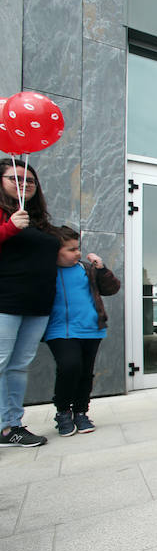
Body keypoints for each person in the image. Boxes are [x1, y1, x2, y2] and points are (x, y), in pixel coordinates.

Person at [0, 159, 58, 448]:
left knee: (18, 365)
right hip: (5, 300)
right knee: (0, 363)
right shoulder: (7, 217)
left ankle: (12, 425)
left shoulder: (36, 219)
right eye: (15, 178)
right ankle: (3, 425)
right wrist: (9, 227)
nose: (24, 184)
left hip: (36, 304)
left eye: (30, 181)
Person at [45, 226, 120, 436]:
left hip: (91, 329)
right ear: (55, 251)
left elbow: (111, 288)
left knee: (85, 372)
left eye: (77, 248)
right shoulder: (47, 271)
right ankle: (62, 411)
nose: (77, 253)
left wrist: (102, 269)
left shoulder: (87, 269)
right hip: (60, 330)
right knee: (69, 366)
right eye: (70, 249)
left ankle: (80, 412)